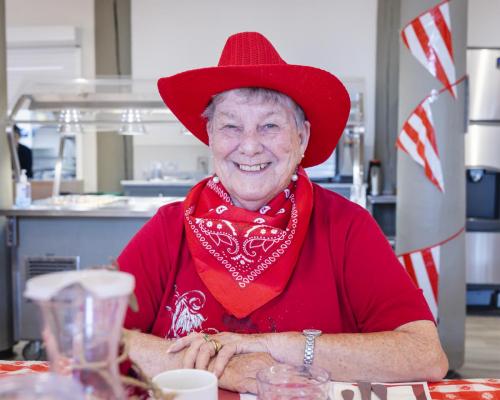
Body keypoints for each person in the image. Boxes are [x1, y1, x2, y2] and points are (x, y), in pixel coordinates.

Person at [118, 32, 448, 393]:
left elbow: (424, 354)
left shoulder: (346, 227)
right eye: (230, 126)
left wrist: (275, 347)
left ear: (302, 138)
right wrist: (221, 369)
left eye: (270, 125)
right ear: (209, 135)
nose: (249, 146)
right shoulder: (169, 228)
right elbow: (87, 336)